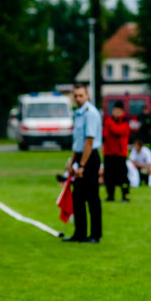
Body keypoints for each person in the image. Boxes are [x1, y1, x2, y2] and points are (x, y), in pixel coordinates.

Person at [62, 84, 103, 243]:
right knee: (77, 197)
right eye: (75, 95)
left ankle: (95, 235)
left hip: (89, 158)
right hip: (80, 157)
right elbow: (77, 142)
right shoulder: (78, 113)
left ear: (87, 96)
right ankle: (79, 233)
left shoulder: (90, 113)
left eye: (81, 95)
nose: (78, 98)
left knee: (92, 196)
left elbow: (89, 142)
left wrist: (82, 166)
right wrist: (72, 163)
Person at [102, 100, 130, 202]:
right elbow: (105, 134)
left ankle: (125, 195)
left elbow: (118, 130)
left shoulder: (125, 121)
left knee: (122, 175)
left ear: (122, 111)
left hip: (120, 154)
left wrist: (110, 124)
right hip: (109, 153)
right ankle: (110, 196)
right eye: (115, 111)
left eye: (118, 111)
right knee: (109, 176)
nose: (116, 113)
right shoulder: (108, 121)